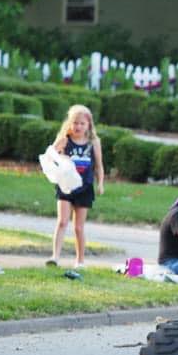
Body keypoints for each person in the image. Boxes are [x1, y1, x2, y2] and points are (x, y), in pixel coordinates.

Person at [48, 105, 104, 269]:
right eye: (75, 123)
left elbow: (99, 166)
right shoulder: (64, 140)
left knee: (79, 227)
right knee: (62, 222)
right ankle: (55, 256)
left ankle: (80, 261)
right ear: (69, 123)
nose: (78, 127)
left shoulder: (93, 143)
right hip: (66, 186)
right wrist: (57, 152)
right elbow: (50, 157)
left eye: (82, 123)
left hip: (85, 188)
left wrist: (100, 182)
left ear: (88, 125)